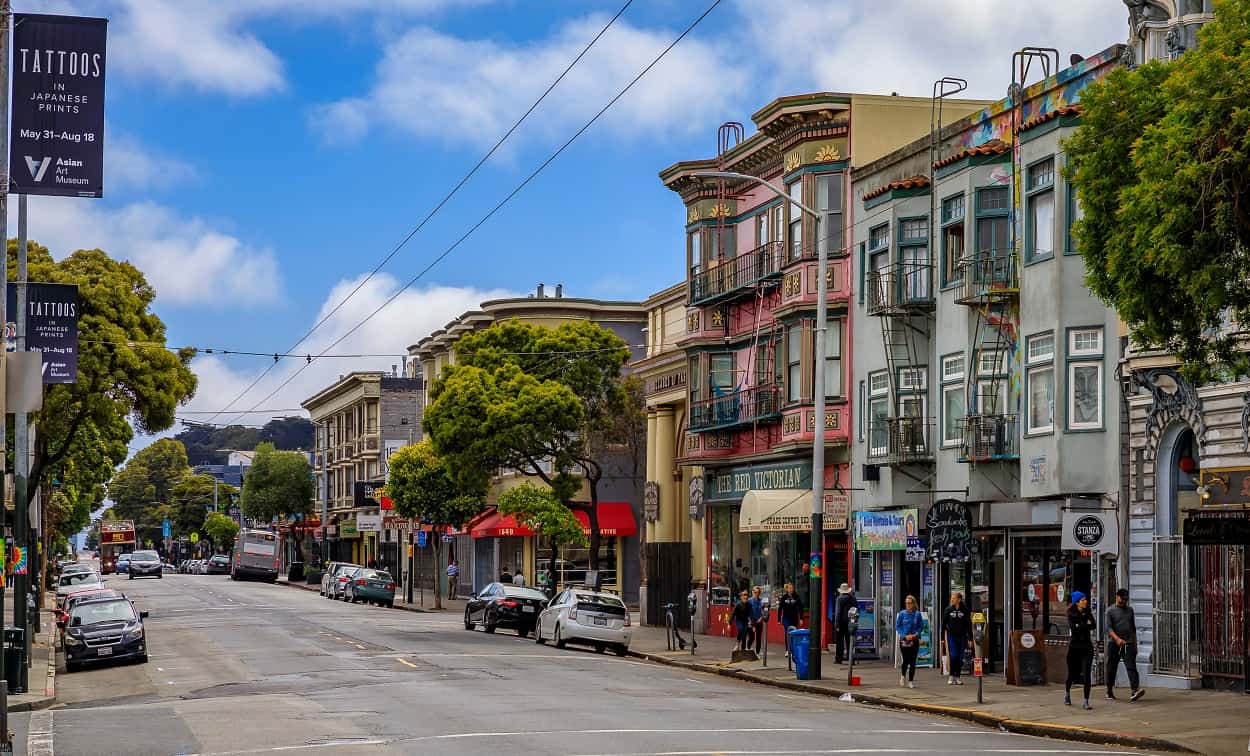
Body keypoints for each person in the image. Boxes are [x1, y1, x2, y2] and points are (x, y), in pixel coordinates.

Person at [1106, 588, 1144, 701]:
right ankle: (1109, 690)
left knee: (1131, 666)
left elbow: (1133, 628)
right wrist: (1117, 639)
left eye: (1126, 600)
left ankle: (1135, 689)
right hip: (1114, 644)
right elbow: (1108, 628)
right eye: (1122, 599)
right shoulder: (1110, 611)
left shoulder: (1130, 610)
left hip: (1128, 643)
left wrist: (1135, 644)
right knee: (1112, 667)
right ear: (1117, 597)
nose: (1124, 602)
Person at [1065, 591, 1097, 709]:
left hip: (1087, 648)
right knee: (1072, 673)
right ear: (1077, 602)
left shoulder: (1087, 612)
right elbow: (1074, 628)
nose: (1085, 601)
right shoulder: (1071, 613)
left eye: (1085, 599)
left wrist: (1081, 625)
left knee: (1087, 674)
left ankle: (1086, 701)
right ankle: (1067, 693)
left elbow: (1093, 625)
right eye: (1083, 600)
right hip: (1074, 648)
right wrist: (1084, 624)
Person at [942, 592, 973, 685]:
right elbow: (943, 624)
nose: (952, 599)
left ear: (959, 599)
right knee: (953, 655)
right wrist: (942, 637)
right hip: (952, 636)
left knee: (960, 657)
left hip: (962, 636)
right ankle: (951, 675)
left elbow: (968, 625)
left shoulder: (965, 610)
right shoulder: (948, 609)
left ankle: (958, 677)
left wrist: (970, 638)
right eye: (951, 598)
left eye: (954, 598)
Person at [895, 595, 924, 688]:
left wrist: (916, 634)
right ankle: (903, 676)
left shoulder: (917, 614)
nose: (907, 604)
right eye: (906, 603)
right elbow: (898, 626)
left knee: (913, 661)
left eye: (909, 603)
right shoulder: (902, 614)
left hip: (914, 640)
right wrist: (904, 636)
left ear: (913, 604)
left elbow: (921, 626)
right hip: (904, 641)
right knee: (906, 660)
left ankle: (911, 681)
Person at [777, 582, 804, 658]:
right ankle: (788, 650)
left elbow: (800, 608)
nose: (791, 589)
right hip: (786, 617)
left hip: (794, 618)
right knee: (787, 632)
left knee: (794, 633)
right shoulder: (784, 597)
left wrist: (801, 618)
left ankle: (793, 650)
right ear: (787, 589)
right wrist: (779, 619)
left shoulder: (796, 597)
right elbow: (780, 608)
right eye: (789, 588)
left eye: (792, 588)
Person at [833, 583, 857, 664]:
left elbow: (838, 613)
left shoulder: (839, 599)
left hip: (841, 622)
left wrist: (836, 625)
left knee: (839, 641)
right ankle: (850, 659)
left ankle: (838, 658)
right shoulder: (853, 598)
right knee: (849, 641)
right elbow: (857, 610)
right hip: (851, 621)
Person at [748, 586, 766, 654]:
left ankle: (757, 653)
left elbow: (764, 611)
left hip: (759, 621)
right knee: (751, 638)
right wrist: (750, 621)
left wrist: (761, 618)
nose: (756, 594)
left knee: (758, 638)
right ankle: (748, 648)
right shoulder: (749, 601)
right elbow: (747, 612)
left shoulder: (761, 601)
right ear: (752, 592)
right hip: (751, 621)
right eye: (755, 592)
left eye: (758, 592)